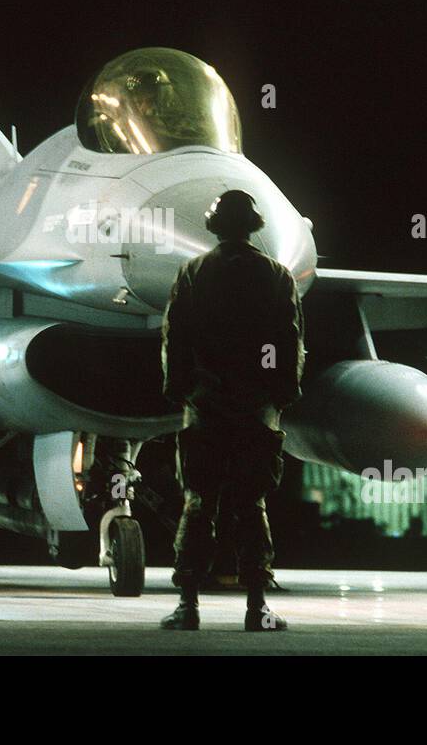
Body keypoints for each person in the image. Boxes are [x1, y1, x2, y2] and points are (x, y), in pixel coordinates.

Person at [159, 189, 305, 631]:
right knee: (251, 503)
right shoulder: (277, 276)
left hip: (204, 410)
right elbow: (288, 344)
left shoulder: (192, 273)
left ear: (214, 226)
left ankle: (188, 606)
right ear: (254, 226)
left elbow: (175, 341)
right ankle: (256, 606)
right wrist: (278, 397)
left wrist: (182, 391)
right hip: (255, 412)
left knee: (198, 503)